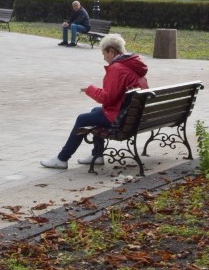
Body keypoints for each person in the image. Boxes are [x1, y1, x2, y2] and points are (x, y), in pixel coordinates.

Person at [41, 33, 149, 169]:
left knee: (82, 119)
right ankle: (97, 155)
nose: (104, 58)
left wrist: (90, 90)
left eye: (104, 53)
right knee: (95, 112)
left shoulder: (117, 68)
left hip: (122, 118)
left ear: (111, 51)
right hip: (133, 116)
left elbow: (107, 98)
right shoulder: (133, 65)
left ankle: (62, 159)